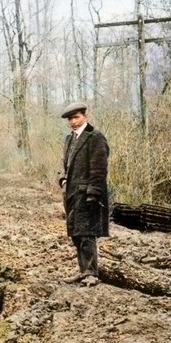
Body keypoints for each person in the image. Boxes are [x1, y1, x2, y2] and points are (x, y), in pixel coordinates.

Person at [58, 101, 110, 287]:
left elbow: (99, 169)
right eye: (70, 119)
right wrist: (63, 180)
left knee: (87, 233)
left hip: (87, 194)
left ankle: (91, 273)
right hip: (71, 194)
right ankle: (83, 271)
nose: (73, 121)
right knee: (76, 233)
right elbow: (64, 164)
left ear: (85, 117)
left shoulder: (95, 137)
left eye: (76, 117)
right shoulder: (69, 139)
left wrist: (93, 194)